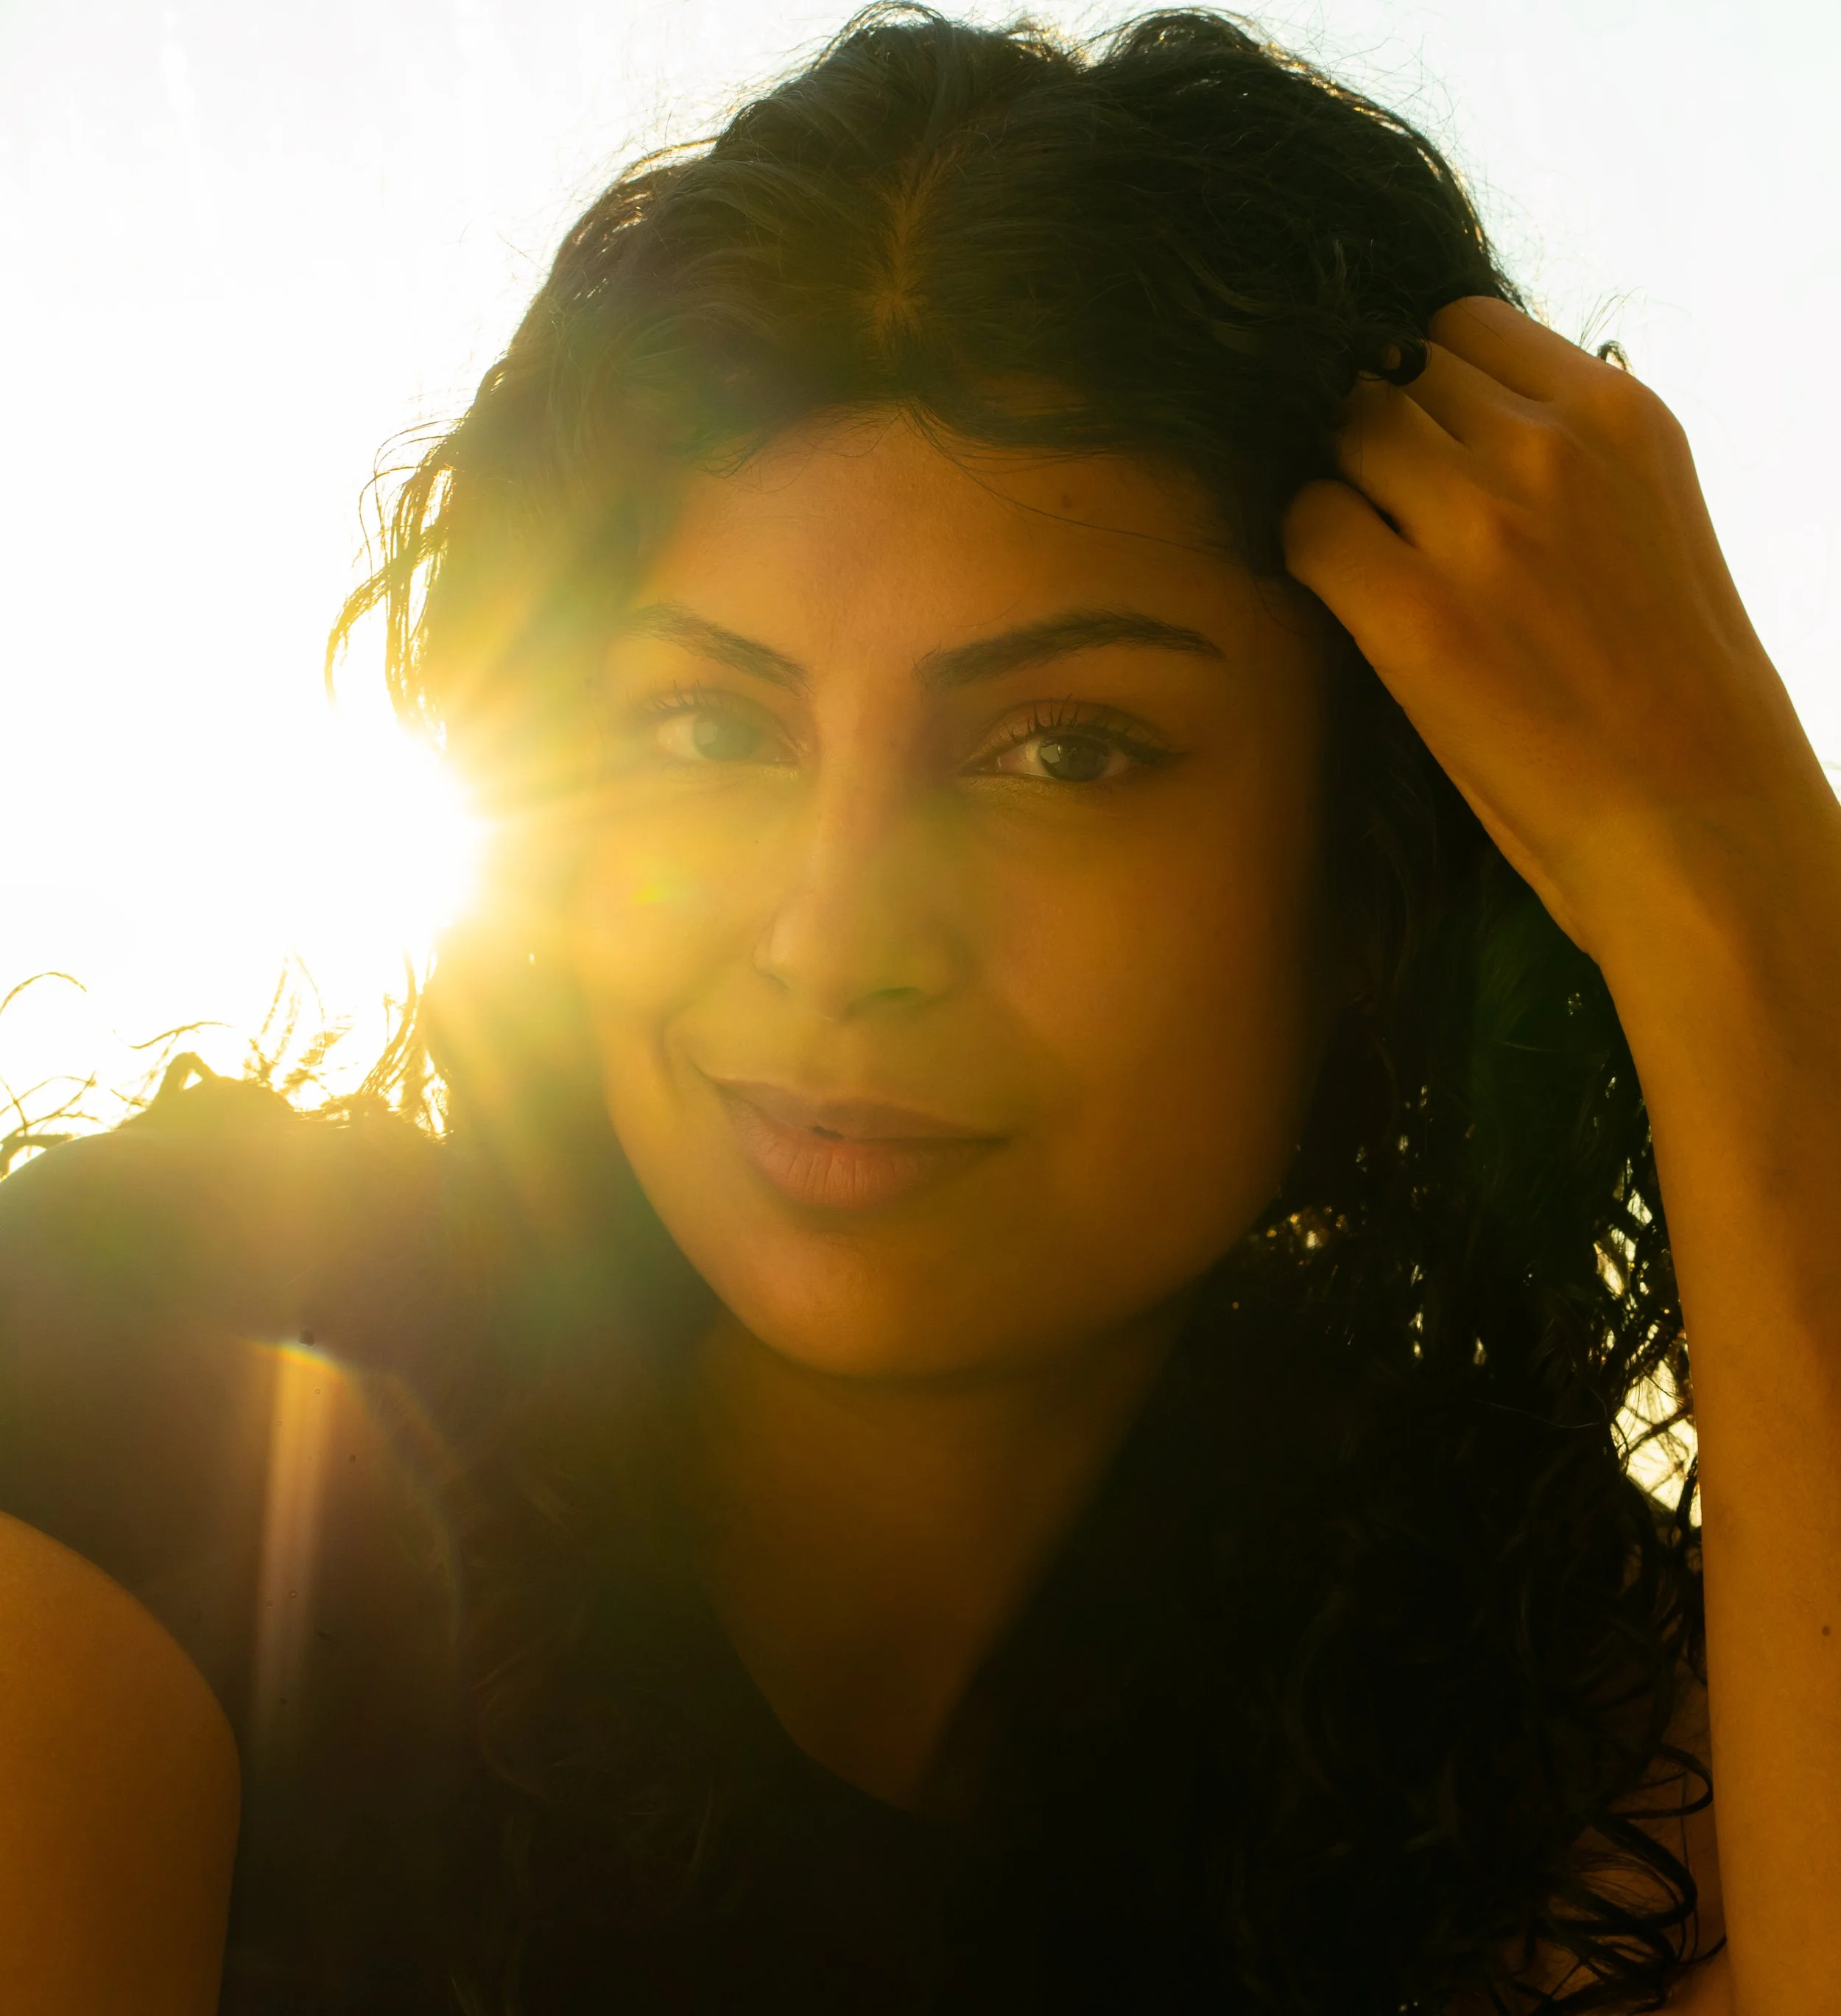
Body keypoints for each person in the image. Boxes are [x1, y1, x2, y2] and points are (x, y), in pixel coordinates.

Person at [2, 7, 1837, 2010]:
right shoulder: (160, 1404)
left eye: (1062, 752)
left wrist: (1737, 890)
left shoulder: (1486, 1668)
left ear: (1380, 865)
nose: (831, 936)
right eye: (709, 723)